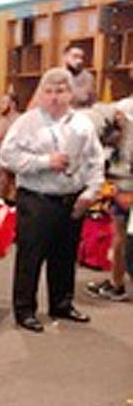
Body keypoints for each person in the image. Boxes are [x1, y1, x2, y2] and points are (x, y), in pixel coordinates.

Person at [0, 67, 105, 333]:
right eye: (49, 91)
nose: (55, 97)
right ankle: (25, 310)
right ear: (41, 94)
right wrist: (46, 162)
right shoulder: (27, 122)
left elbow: (95, 160)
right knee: (30, 258)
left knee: (65, 256)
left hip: (72, 200)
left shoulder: (82, 123)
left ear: (70, 93)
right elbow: (7, 157)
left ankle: (62, 304)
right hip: (37, 200)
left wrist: (91, 192)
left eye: (60, 91)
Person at [84, 97, 133, 300]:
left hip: (127, 184)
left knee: (123, 237)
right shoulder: (121, 108)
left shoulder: (123, 113)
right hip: (123, 181)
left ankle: (117, 284)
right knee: (121, 235)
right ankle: (117, 281)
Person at [0, 91, 22, 203]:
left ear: (13, 104)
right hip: (2, 161)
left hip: (18, 161)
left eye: (4, 102)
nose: (1, 105)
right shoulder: (1, 122)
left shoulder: (21, 120)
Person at [62, 44, 96, 109]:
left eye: (81, 57)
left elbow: (92, 102)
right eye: (75, 56)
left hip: (81, 114)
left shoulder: (89, 78)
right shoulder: (55, 76)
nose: (79, 61)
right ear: (65, 57)